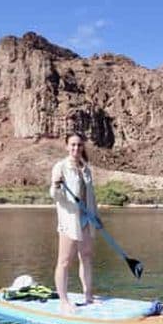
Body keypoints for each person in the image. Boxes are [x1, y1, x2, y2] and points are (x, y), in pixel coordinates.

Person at [50, 132, 99, 313]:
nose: (76, 148)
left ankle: (88, 296)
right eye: (72, 145)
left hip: (87, 219)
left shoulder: (86, 169)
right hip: (69, 220)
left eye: (79, 145)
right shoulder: (60, 167)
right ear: (67, 146)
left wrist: (96, 216)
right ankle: (64, 301)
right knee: (64, 261)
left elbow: (90, 197)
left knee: (86, 257)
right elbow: (54, 195)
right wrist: (56, 185)